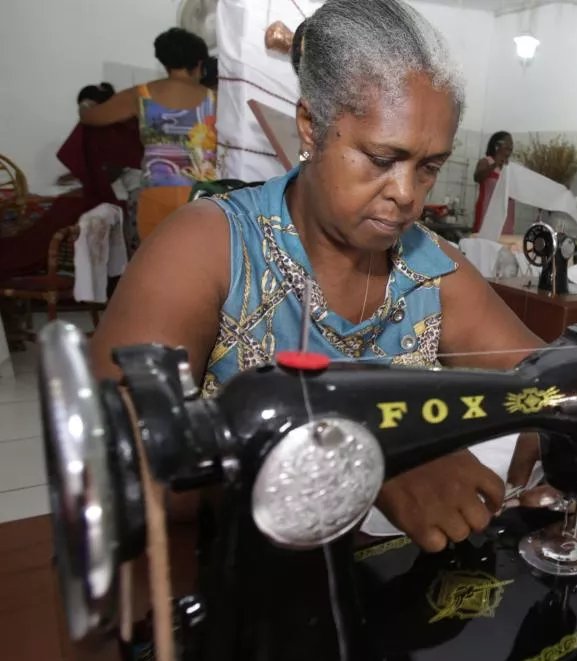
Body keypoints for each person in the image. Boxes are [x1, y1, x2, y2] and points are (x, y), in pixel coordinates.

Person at [90, 0, 542, 556]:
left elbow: (544, 378)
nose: (407, 193)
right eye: (381, 157)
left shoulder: (433, 269)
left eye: (429, 166)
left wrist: (549, 430)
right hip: (225, 580)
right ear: (311, 125)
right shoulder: (207, 249)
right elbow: (119, 463)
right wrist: (365, 463)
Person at [79, 27, 217, 242]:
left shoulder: (141, 95)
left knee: (155, 265)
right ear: (199, 64)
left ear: (164, 62)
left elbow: (92, 117)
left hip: (156, 193)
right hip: (203, 196)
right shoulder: (214, 98)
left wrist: (85, 104)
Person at [472, 130, 516, 234]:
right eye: (507, 143)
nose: (511, 146)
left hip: (506, 215)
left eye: (511, 144)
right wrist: (495, 164)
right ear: (497, 145)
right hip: (487, 212)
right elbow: (477, 177)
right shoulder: (486, 161)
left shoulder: (510, 167)